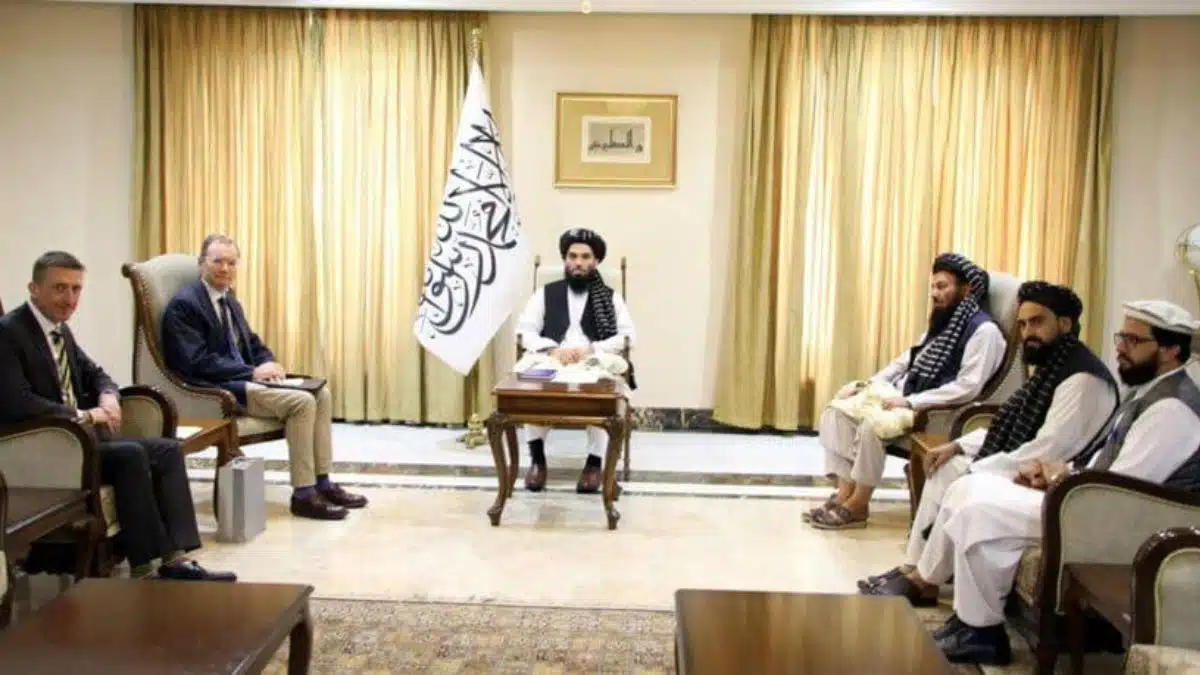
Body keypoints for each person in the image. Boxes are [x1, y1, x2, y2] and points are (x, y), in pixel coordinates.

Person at [916, 300, 1200, 665]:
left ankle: (980, 632)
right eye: (1121, 337)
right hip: (1087, 501)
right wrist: (1060, 472)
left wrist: (1062, 480)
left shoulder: (1171, 410)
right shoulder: (1152, 388)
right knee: (969, 487)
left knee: (979, 511)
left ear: (1171, 349)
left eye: (1133, 340)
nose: (1120, 348)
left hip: (1114, 523)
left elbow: (1124, 490)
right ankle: (970, 623)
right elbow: (1110, 470)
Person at [859, 281, 1120, 604]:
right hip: (1027, 467)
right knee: (946, 465)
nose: (1028, 333)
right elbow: (1009, 424)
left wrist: (980, 468)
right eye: (1022, 325)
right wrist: (958, 446)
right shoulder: (1053, 367)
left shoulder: (1083, 380)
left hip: (1049, 483)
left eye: (1037, 322)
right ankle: (914, 568)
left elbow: (1047, 449)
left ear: (1065, 324)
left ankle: (923, 579)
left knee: (963, 478)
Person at [0, 251, 235, 582]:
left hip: (81, 443)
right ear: (34, 289)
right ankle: (145, 566)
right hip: (47, 449)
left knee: (168, 450)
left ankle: (176, 559)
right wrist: (86, 415)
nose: (69, 299)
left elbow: (96, 373)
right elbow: (17, 402)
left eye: (76, 289)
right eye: (59, 288)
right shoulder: (10, 332)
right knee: (130, 455)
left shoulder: (58, 329)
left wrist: (108, 395)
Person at [160, 234, 368, 521]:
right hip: (217, 388)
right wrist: (252, 372)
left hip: (243, 380)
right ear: (201, 263)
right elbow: (197, 361)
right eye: (217, 261)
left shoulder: (229, 301)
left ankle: (323, 483)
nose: (224, 268)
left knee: (321, 394)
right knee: (302, 403)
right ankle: (304, 495)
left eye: (231, 263)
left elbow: (252, 343)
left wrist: (268, 362)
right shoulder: (185, 306)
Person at [810, 253, 1007, 529]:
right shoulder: (945, 323)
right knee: (836, 413)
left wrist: (911, 402)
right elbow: (904, 362)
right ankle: (845, 495)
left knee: (872, 426)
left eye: (942, 286)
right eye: (933, 287)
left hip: (934, 409)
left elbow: (967, 387)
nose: (934, 294)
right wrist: (866, 386)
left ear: (966, 290)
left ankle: (858, 504)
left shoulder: (984, 332)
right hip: (901, 396)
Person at [514, 228, 636, 493]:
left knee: (604, 398)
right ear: (565, 259)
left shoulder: (610, 298)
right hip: (553, 360)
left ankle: (594, 463)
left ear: (596, 261)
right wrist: (552, 350)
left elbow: (628, 337)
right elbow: (524, 331)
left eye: (585, 257)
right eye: (572, 256)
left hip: (593, 361)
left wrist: (591, 349)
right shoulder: (545, 294)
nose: (578, 262)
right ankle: (537, 459)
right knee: (532, 390)